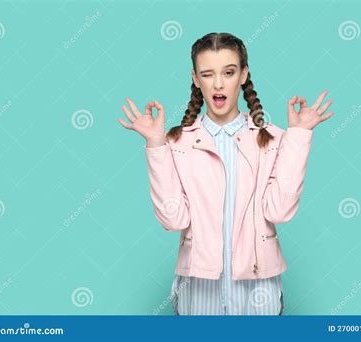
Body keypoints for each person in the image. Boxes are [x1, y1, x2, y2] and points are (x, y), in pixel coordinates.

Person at [118, 32, 334, 315]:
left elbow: (279, 211)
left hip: (259, 291)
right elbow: (173, 219)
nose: (218, 83)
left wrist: (299, 135)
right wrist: (156, 144)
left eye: (229, 72)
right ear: (196, 79)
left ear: (244, 75)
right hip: (199, 290)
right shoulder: (176, 142)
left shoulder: (273, 138)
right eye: (207, 74)